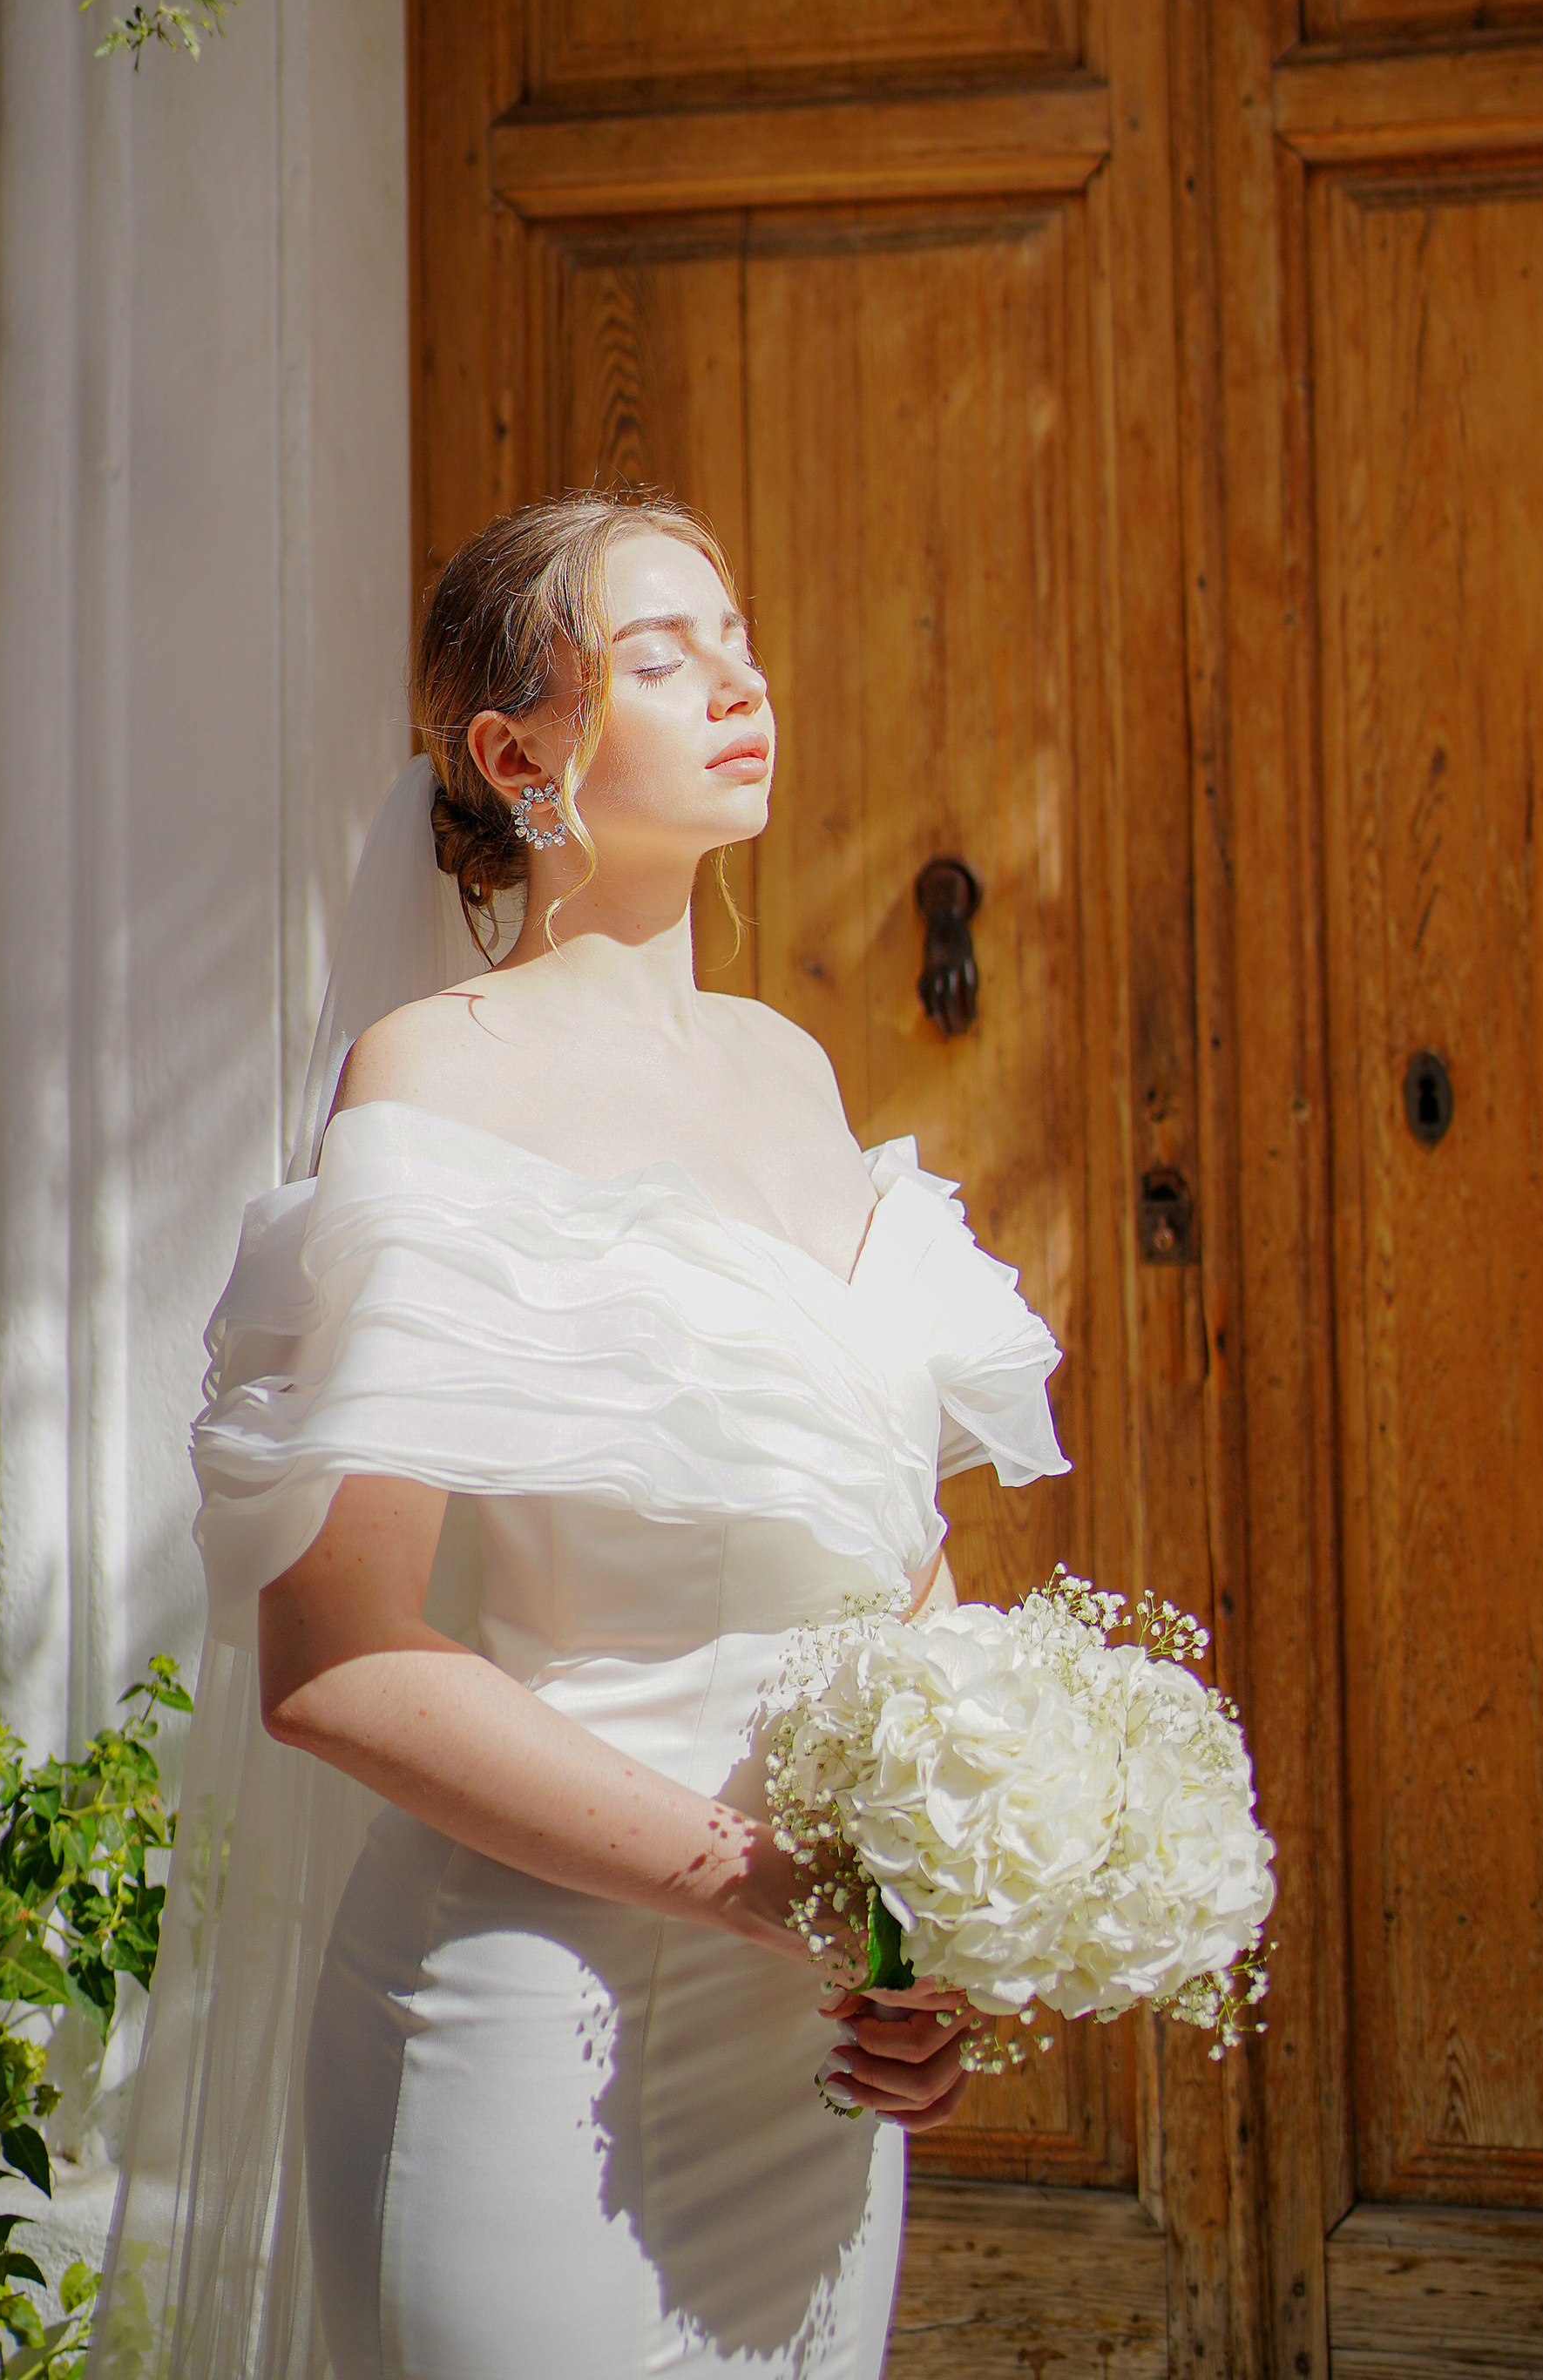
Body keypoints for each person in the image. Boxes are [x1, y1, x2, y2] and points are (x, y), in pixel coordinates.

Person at [90, 490, 1069, 2380]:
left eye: (739, 638)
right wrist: (764, 1884)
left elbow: (888, 1560)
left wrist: (938, 1914)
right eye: (659, 652)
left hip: (808, 2057)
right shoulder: (439, 1073)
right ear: (513, 749)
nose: (739, 682)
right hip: (531, 2029)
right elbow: (340, 1666)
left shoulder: (790, 1074)